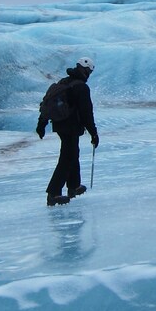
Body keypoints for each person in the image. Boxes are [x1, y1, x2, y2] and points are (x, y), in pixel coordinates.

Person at [37, 57, 100, 206]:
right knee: (67, 158)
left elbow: (48, 102)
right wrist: (94, 133)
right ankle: (53, 193)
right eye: (89, 72)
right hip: (71, 126)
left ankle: (74, 186)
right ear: (86, 71)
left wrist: (42, 124)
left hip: (60, 124)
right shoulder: (81, 88)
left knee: (72, 153)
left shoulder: (64, 82)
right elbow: (86, 113)